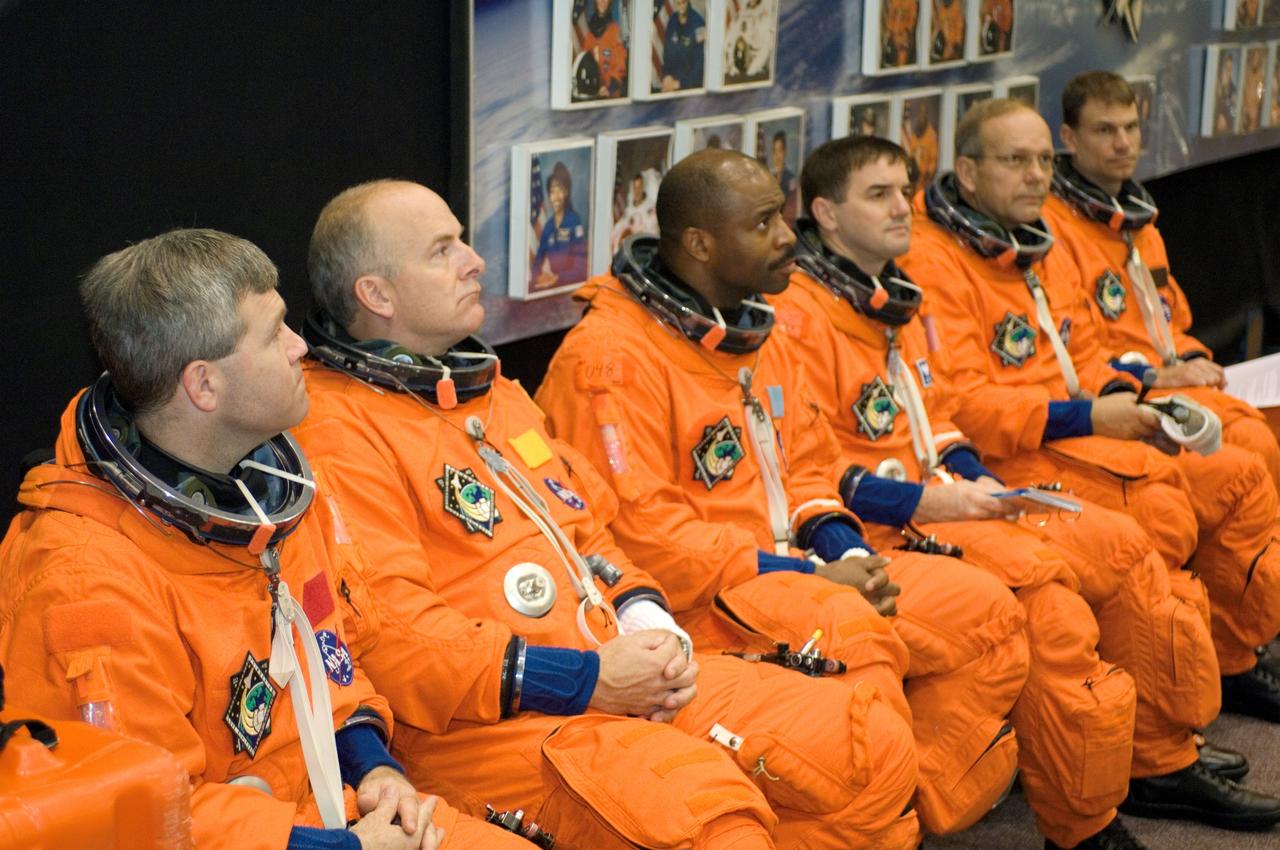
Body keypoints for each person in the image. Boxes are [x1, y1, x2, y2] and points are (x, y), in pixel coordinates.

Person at [298, 178, 923, 850]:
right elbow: (395, 641)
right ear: (377, 295)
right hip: (490, 728)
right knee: (714, 823)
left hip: (613, 665)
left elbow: (587, 527)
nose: (475, 261)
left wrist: (645, 621)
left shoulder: (488, 393)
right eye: (443, 250)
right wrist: (588, 681)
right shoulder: (336, 432)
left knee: (871, 749)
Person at [772, 133, 1266, 849]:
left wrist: (977, 484)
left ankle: (1154, 762)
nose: (901, 209)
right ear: (823, 212)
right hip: (876, 527)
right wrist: (926, 502)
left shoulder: (886, 302)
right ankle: (1073, 824)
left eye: (904, 191)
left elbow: (933, 420)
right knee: (1053, 612)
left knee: (1124, 548)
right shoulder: (799, 319)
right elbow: (815, 469)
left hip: (950, 496)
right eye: (877, 195)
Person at [536, 149, 1032, 839]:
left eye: (784, 216)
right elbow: (645, 536)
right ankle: (877, 809)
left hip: (794, 569)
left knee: (990, 618)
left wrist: (847, 549)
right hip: (702, 600)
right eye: (764, 222)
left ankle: (911, 804)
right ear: (701, 243)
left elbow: (808, 466)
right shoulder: (609, 361)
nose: (786, 237)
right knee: (858, 659)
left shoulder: (751, 328)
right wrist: (814, 576)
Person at [0, 229, 527, 850]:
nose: (301, 345)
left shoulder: (266, 498)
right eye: (275, 331)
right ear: (204, 386)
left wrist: (374, 769)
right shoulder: (86, 579)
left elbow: (331, 657)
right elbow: (135, 818)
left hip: (330, 809)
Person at [899, 98, 1280, 832]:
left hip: (1060, 431)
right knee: (1145, 537)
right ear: (967, 172)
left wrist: (1128, 390)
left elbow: (1077, 350)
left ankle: (1169, 733)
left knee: (1215, 483)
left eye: (1044, 160)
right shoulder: (932, 265)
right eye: (1017, 160)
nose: (1037, 175)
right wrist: (1089, 412)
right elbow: (964, 405)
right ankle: (1150, 757)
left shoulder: (1031, 245)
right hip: (1013, 454)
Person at [1045, 71, 1280, 718]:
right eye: (1103, 131)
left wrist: (1188, 362)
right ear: (1069, 137)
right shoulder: (1054, 232)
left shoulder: (1137, 221)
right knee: (1241, 463)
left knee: (1265, 433)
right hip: (1118, 397)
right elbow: (1079, 348)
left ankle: (1241, 641)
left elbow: (1170, 324)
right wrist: (1151, 378)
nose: (1122, 144)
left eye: (1130, 129)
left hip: (1162, 380)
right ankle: (1227, 655)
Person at [532, 161, 587, 290]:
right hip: (552, 286)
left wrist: (558, 278)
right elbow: (537, 263)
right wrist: (538, 276)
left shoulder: (574, 221)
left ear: (566, 193)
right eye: (552, 192)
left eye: (559, 191)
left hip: (571, 287)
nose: (555, 197)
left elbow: (581, 269)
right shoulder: (548, 226)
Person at [581, 0, 628, 98]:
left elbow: (620, 64)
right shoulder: (589, 36)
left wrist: (610, 88)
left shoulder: (615, 31)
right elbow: (584, 66)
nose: (602, 2)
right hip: (593, 93)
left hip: (612, 93)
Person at [724, 0, 776, 82]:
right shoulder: (742, 13)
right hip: (736, 65)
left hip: (754, 62)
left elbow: (766, 46)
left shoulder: (764, 13)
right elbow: (730, 37)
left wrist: (752, 69)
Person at [660, 0, 705, 92]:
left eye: (683, 3)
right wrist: (667, 76)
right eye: (678, 3)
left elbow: (699, 67)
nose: (681, 6)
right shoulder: (672, 20)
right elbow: (667, 53)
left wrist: (679, 84)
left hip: (691, 89)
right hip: (672, 84)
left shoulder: (699, 24)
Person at [610, 171, 659, 253]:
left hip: (645, 251)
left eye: (639, 187)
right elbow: (618, 229)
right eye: (635, 188)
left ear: (643, 187)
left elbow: (652, 234)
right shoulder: (629, 210)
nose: (637, 191)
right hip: (631, 251)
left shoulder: (651, 209)